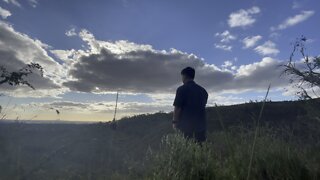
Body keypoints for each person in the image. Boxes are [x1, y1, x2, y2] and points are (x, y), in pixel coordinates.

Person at [172, 67, 208, 143]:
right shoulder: (203, 91)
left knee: (187, 149)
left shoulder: (181, 89)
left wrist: (175, 122)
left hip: (186, 127)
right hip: (201, 127)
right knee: (200, 149)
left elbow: (178, 107)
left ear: (184, 76)